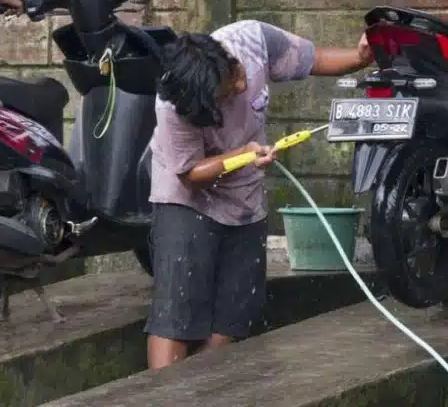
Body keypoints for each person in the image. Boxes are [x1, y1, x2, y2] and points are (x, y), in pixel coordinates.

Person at [145, 19, 374, 369]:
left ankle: (202, 393)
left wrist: (359, 58)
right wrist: (243, 156)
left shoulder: (252, 39)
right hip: (185, 199)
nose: (241, 85)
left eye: (236, 73)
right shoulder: (174, 104)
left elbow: (312, 58)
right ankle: (164, 394)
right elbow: (190, 173)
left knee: (233, 316)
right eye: (227, 92)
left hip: (244, 201)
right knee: (177, 313)